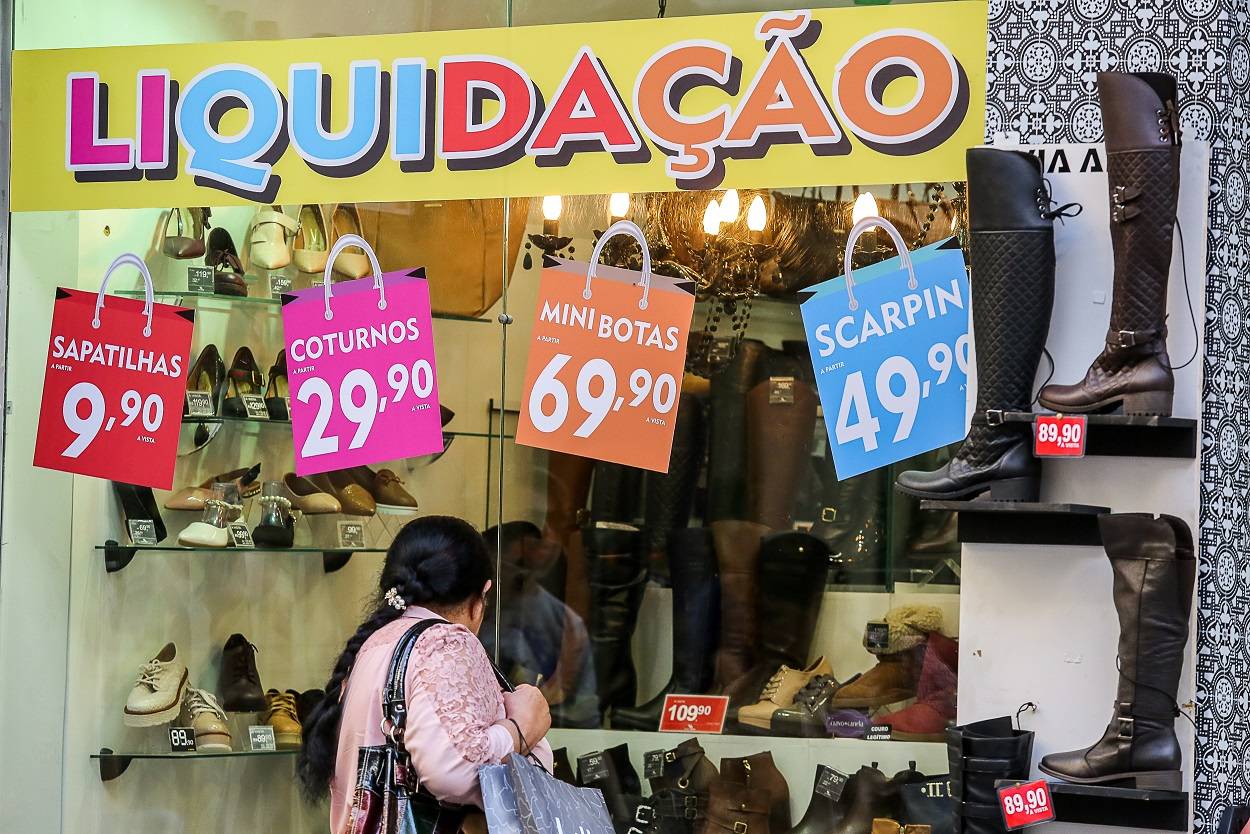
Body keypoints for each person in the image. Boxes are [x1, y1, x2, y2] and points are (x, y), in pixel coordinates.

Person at [298, 515, 553, 831]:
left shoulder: (374, 644)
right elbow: (454, 769)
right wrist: (520, 727)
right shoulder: (446, 643)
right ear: (482, 594)